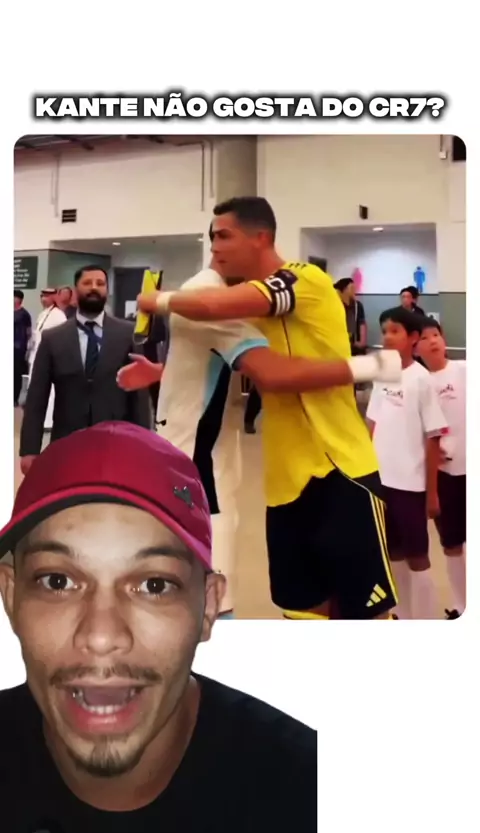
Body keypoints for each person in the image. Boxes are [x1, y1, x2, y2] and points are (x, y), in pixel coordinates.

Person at [0, 422, 317, 833]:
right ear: (11, 595)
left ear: (209, 607)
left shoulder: (312, 800)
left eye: (154, 585)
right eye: (58, 581)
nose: (101, 637)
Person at [135, 196, 402, 621]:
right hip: (284, 483)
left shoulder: (303, 278)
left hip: (339, 468)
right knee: (301, 612)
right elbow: (229, 353)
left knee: (363, 616)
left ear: (260, 237)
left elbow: (225, 322)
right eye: (211, 238)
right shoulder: (246, 309)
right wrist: (167, 372)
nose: (214, 248)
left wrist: (159, 300)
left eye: (224, 236)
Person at [19, 266, 151, 476]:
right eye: (87, 283)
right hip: (67, 441)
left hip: (116, 440)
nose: (94, 288)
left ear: (107, 290)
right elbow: (37, 396)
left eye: (100, 283)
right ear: (75, 290)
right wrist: (29, 449)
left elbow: (138, 395)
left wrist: (145, 443)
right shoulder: (54, 338)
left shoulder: (126, 334)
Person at [366, 307, 449, 619]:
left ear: (413, 337)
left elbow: (433, 437)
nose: (387, 337)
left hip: (410, 485)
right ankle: (402, 616)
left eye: (395, 331)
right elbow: (372, 424)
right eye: (384, 331)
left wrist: (432, 493)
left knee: (417, 557)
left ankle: (425, 620)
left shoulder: (422, 379)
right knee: (393, 553)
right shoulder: (383, 372)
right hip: (380, 481)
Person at [416, 317, 466, 619]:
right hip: (444, 476)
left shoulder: (464, 370)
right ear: (416, 347)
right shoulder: (420, 384)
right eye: (424, 337)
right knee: (452, 543)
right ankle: (462, 605)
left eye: (436, 334)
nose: (432, 340)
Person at [29, 288, 67, 430]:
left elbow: (62, 339)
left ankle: (49, 421)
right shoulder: (43, 314)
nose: (43, 299)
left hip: (51, 358)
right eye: (42, 296)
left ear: (54, 298)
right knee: (37, 389)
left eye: (47, 296)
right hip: (36, 355)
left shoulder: (59, 315)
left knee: (50, 391)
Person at [334, 277, 367, 355]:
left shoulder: (357, 305)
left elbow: (362, 323)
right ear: (344, 290)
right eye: (351, 288)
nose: (354, 291)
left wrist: (362, 341)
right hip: (339, 343)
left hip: (354, 343)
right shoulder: (336, 305)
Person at [13, 289, 32, 406]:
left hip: (18, 348)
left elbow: (29, 332)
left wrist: (28, 349)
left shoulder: (24, 314)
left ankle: (14, 398)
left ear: (19, 299)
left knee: (16, 373)